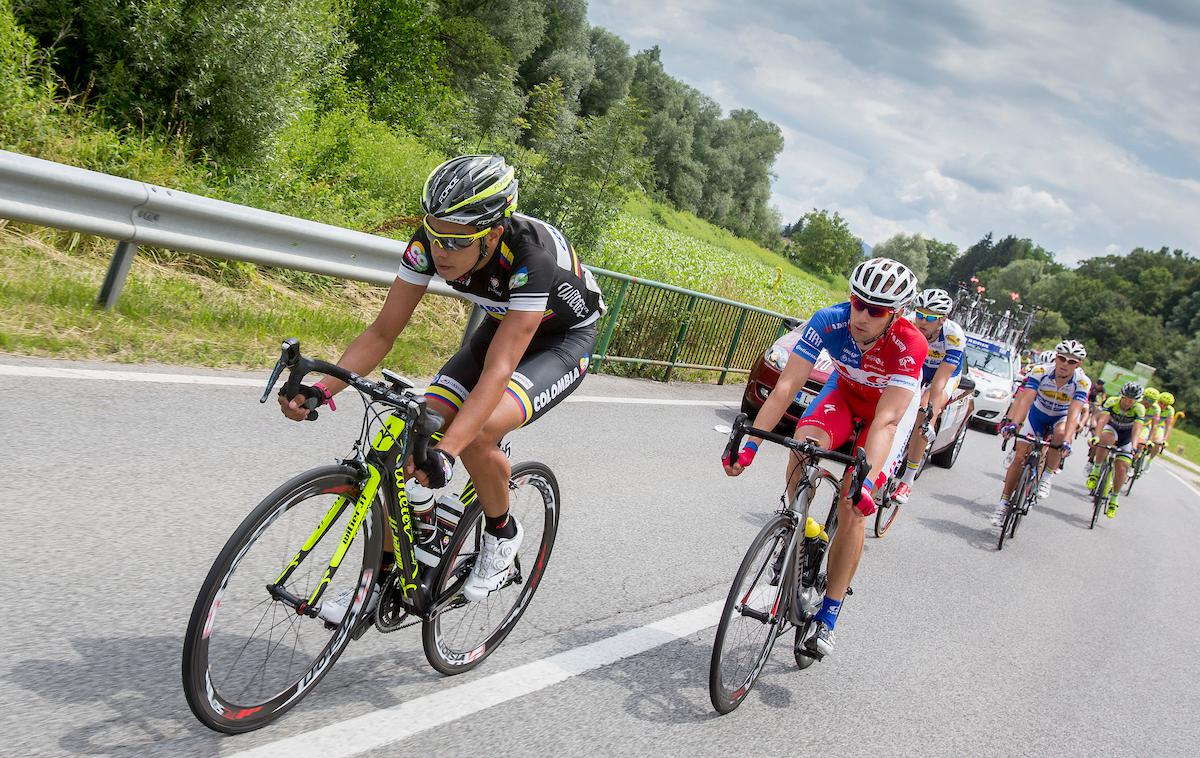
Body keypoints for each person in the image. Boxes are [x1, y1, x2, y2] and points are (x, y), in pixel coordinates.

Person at [278, 154, 604, 621]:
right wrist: (324, 388)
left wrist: (449, 451)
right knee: (406, 433)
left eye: (454, 239)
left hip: (561, 342)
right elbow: (382, 332)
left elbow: (500, 370)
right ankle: (382, 582)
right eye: (433, 232)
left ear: (493, 231)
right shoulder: (430, 242)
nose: (440, 250)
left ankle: (502, 533)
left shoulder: (533, 257)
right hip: (501, 324)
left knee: (478, 433)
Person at [723, 258, 926, 659]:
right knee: (805, 441)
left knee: (854, 506)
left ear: (896, 314)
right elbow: (785, 389)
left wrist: (869, 482)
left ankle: (829, 614)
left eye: (876, 310)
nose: (862, 314)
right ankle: (800, 522)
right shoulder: (830, 321)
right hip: (845, 395)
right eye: (857, 301)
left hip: (884, 413)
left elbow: (886, 422)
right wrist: (749, 447)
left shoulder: (910, 344)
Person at [993, 339, 1091, 525]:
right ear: (1056, 357)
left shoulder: (1082, 382)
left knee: (1061, 434)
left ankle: (1047, 475)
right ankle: (1003, 504)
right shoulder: (1040, 371)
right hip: (1037, 414)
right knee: (1020, 456)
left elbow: (1075, 412)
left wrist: (1068, 441)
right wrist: (1014, 424)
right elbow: (1026, 399)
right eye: (1062, 358)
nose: (1065, 364)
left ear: (1079, 364)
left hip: (1060, 417)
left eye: (1071, 361)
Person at [893, 288, 964, 504]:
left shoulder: (953, 336)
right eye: (920, 313)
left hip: (943, 373)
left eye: (930, 317)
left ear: (943, 319)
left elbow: (940, 381)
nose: (922, 321)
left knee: (924, 411)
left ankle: (907, 480)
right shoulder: (906, 323)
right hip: (917, 365)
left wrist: (931, 411)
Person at [1086, 382, 1146, 518]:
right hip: (1111, 429)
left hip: (1127, 436)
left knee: (1122, 467)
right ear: (1121, 396)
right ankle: (1096, 471)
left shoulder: (1139, 409)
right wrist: (1096, 437)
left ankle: (1114, 498)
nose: (1128, 402)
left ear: (1137, 400)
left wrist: (1135, 447)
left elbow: (1137, 430)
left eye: (1132, 400)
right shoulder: (1112, 402)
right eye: (1125, 398)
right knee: (1105, 439)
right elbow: (1102, 421)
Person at [1150, 391, 1177, 463]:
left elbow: (1168, 426)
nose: (1162, 406)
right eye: (1161, 403)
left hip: (1159, 427)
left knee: (1158, 442)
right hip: (1148, 424)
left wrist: (1164, 439)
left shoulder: (1170, 411)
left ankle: (1150, 461)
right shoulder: (1153, 405)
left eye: (1165, 405)